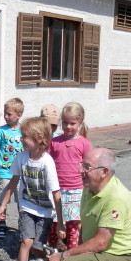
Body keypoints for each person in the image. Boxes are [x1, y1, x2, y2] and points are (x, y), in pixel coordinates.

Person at [45, 148, 131, 261]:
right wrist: (72, 256)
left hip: (118, 257)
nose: (80, 170)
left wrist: (64, 256)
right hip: (96, 254)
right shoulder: (89, 190)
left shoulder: (116, 197)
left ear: (104, 172)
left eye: (87, 167)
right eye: (81, 165)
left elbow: (101, 242)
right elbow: (85, 229)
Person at [0, 117, 64, 261]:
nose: (21, 139)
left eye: (25, 136)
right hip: (26, 207)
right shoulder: (21, 157)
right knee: (26, 242)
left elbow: (56, 194)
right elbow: (13, 182)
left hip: (45, 211)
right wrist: (3, 204)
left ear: (39, 138)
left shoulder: (47, 162)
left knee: (37, 247)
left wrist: (60, 223)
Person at [47, 101, 93, 251]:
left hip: (76, 190)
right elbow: (47, 163)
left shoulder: (84, 143)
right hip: (57, 189)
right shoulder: (54, 142)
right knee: (54, 224)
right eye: (65, 122)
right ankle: (50, 252)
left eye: (72, 123)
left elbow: (89, 166)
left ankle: (71, 253)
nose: (68, 126)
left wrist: (89, 186)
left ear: (80, 123)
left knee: (73, 225)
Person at [0, 97, 25, 239]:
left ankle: (23, 226)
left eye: (9, 114)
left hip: (21, 174)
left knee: (22, 201)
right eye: (5, 113)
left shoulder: (24, 131)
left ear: (19, 115)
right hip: (4, 172)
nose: (6, 116)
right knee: (3, 198)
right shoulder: (1, 131)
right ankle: (2, 224)